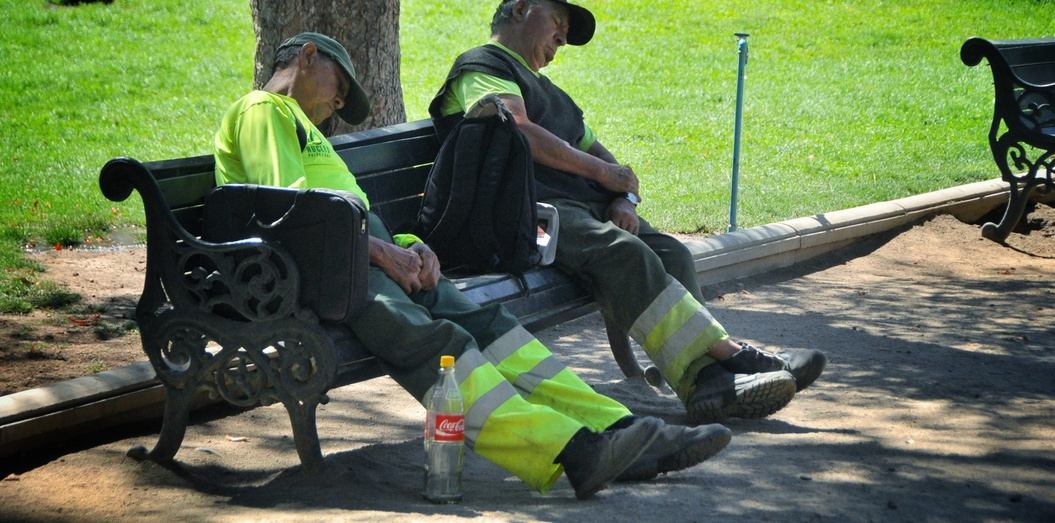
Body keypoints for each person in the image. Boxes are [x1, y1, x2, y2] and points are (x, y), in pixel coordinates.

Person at [213, 31, 732, 500]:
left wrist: (414, 246)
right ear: (307, 57)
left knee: (493, 327)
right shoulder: (263, 109)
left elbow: (349, 209)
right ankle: (567, 451)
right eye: (340, 88)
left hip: (363, 255)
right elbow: (292, 210)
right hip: (325, 269)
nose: (338, 103)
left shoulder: (301, 124)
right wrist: (381, 252)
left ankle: (616, 428)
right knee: (438, 345)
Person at [429, 0, 827, 425]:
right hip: (526, 214)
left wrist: (626, 198)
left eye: (565, 35)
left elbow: (605, 159)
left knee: (670, 251)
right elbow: (517, 129)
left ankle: (707, 377)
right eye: (558, 25)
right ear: (520, 9)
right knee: (624, 254)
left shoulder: (551, 94)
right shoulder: (481, 67)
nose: (562, 39)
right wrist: (606, 178)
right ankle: (722, 365)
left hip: (576, 209)